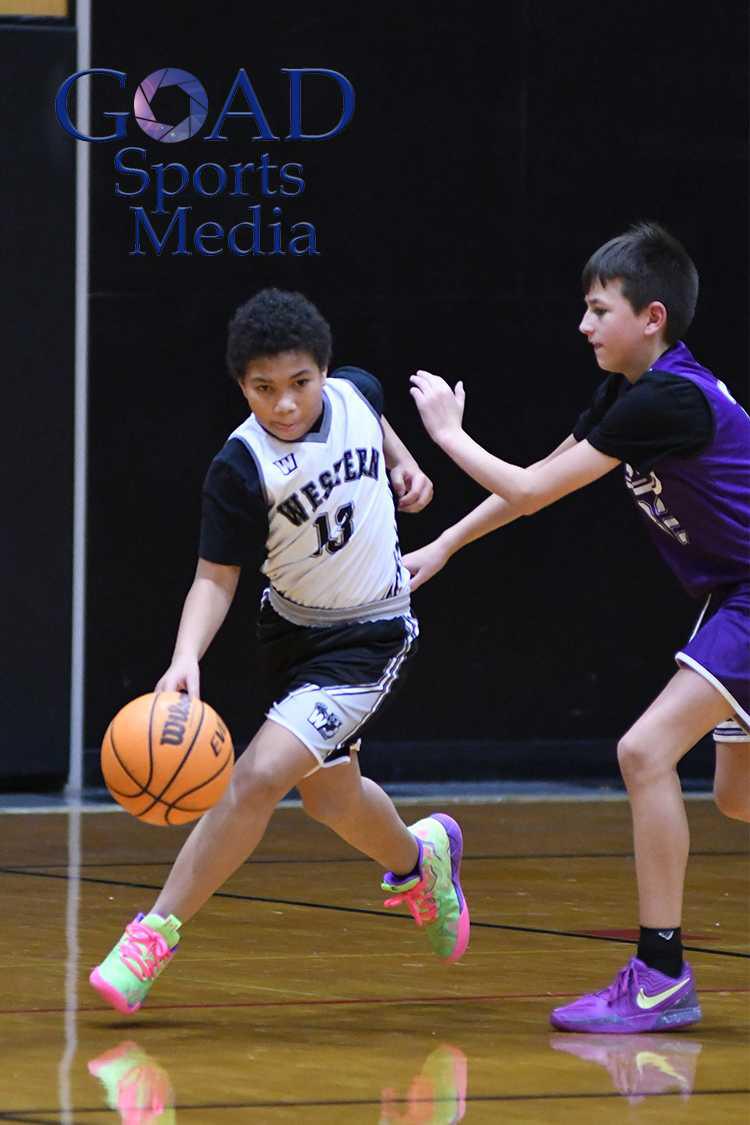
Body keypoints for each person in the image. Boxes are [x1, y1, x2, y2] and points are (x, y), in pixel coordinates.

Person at [403, 222, 749, 1033]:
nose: (585, 325)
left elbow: (527, 488)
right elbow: (538, 483)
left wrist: (449, 434)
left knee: (643, 750)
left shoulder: (667, 397)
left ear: (651, 316)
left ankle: (660, 972)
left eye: (599, 310)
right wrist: (447, 544)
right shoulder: (632, 395)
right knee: (737, 796)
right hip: (733, 592)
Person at [89, 288, 470, 1015]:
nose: (286, 404)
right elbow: (214, 575)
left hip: (372, 631)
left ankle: (153, 933)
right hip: (292, 633)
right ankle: (422, 861)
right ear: (243, 387)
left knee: (257, 774)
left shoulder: (355, 391)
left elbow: (374, 412)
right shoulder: (240, 467)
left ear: (322, 371)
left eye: (299, 383)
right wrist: (185, 656)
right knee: (331, 801)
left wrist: (406, 463)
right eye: (264, 389)